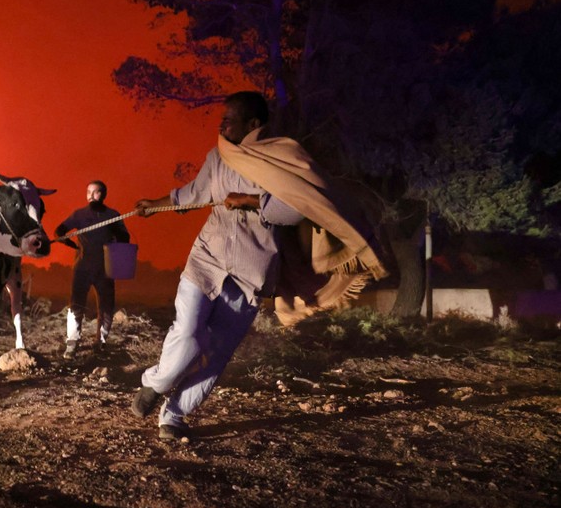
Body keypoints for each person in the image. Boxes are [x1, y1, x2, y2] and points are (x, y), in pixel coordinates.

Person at [130, 91, 388, 442]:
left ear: (253, 124)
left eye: (229, 120)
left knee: (216, 352)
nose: (222, 125)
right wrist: (154, 204)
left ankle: (174, 416)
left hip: (251, 274)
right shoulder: (218, 156)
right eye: (222, 119)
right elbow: (193, 194)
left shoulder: (280, 158)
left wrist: (251, 200)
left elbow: (297, 207)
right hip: (206, 260)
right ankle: (157, 382)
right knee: (187, 334)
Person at [55, 180, 130, 359]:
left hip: (105, 268)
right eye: (88, 191)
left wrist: (116, 234)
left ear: (104, 195)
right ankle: (72, 343)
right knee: (76, 304)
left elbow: (125, 238)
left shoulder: (113, 215)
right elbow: (59, 231)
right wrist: (66, 241)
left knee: (106, 306)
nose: (91, 195)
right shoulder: (79, 214)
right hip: (82, 267)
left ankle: (101, 342)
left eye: (96, 192)